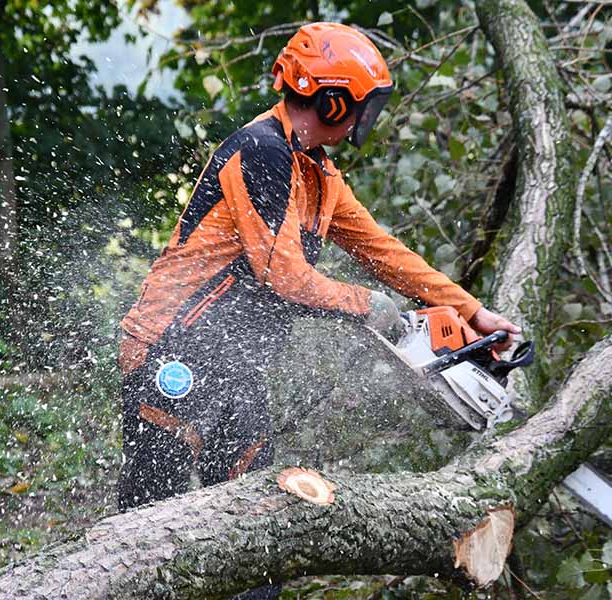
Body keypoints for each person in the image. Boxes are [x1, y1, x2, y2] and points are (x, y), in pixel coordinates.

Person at [117, 21, 519, 511]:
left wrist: (471, 312)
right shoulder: (260, 152)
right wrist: (367, 304)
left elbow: (383, 250)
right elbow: (282, 276)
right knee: (151, 511)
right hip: (172, 345)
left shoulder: (319, 172)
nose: (362, 119)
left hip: (230, 363)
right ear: (333, 101)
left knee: (256, 507)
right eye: (362, 105)